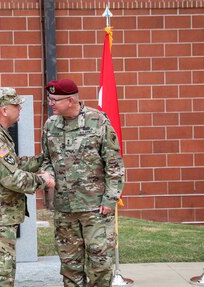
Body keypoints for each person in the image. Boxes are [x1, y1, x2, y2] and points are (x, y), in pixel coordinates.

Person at [0, 87, 55, 287]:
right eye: (17, 105)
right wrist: (44, 180)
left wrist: (42, 160)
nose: (20, 109)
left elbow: (13, 164)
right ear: (5, 110)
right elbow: (12, 178)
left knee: (1, 275)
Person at [41, 79, 125, 287]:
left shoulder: (98, 121)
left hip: (95, 208)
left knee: (100, 265)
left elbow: (114, 164)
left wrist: (110, 199)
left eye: (54, 99)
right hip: (64, 209)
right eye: (49, 98)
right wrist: (48, 175)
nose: (50, 103)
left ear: (70, 100)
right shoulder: (50, 125)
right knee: (70, 266)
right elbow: (46, 159)